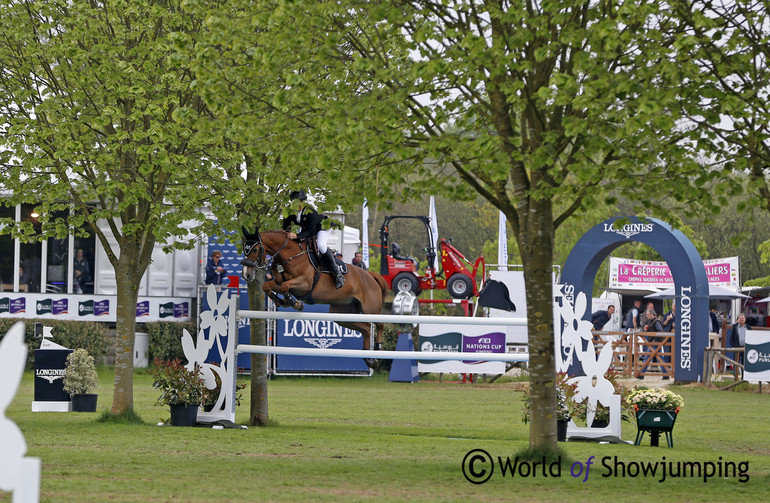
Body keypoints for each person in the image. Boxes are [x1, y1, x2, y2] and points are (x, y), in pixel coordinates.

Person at [283, 190, 344, 289]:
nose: (299, 204)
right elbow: (285, 228)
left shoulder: (310, 211)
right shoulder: (289, 211)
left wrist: (297, 236)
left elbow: (311, 231)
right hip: (307, 229)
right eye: (296, 201)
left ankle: (338, 274)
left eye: (300, 201)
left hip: (322, 227)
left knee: (321, 245)